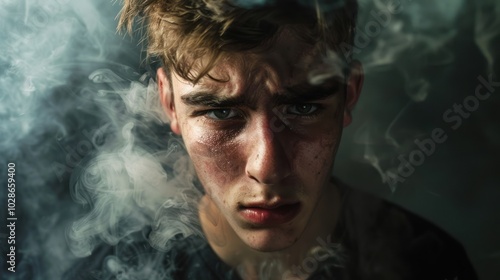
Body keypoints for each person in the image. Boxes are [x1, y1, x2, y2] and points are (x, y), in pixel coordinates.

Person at [65, 0, 477, 279]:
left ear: (348, 94)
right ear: (170, 104)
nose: (267, 167)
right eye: (221, 113)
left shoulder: (427, 262)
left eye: (301, 108)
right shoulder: (110, 272)